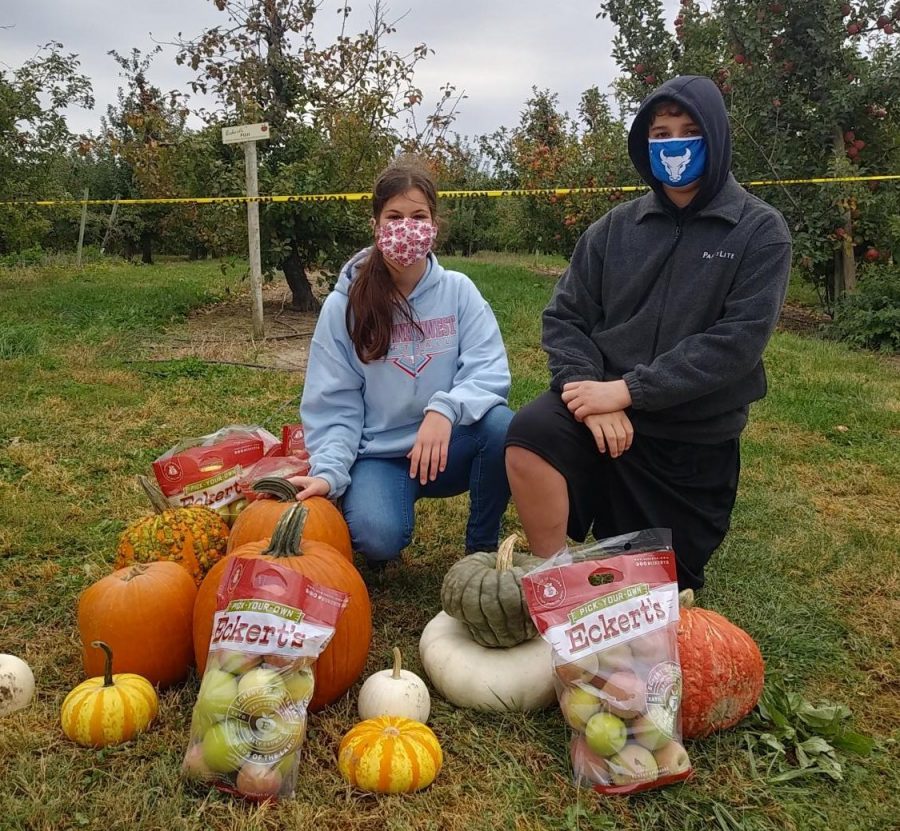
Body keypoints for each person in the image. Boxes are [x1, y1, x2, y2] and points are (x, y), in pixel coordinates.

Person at [505, 75, 792, 590]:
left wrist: (629, 391)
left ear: (717, 137)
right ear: (644, 142)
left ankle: (636, 554)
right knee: (531, 433)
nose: (673, 143)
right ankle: (554, 583)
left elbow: (738, 341)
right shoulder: (615, 228)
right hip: (600, 415)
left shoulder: (759, 231)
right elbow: (565, 317)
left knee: (645, 593)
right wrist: (589, 395)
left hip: (689, 435)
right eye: (660, 133)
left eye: (688, 130)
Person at [293, 159, 514, 568]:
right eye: (394, 217)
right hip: (381, 454)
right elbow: (335, 402)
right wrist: (329, 472)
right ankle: (366, 501)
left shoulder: (459, 291)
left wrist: (444, 410)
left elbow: (489, 370)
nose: (406, 228)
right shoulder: (345, 306)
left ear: (434, 225)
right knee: (377, 538)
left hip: (449, 445)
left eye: (418, 216)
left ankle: (480, 550)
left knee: (502, 427)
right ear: (376, 225)